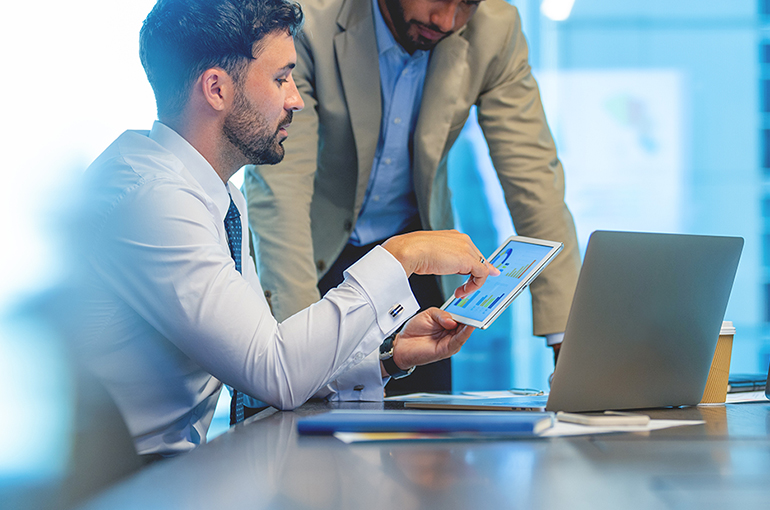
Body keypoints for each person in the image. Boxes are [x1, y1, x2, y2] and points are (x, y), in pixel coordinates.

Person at [63, 0, 498, 457]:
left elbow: (263, 362)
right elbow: (276, 371)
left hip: (174, 473)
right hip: (125, 485)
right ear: (216, 88)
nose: (296, 99)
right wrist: (401, 256)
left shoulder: (214, 194)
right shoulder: (152, 201)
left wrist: (390, 359)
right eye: (280, 78)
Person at [243, 0, 582, 394]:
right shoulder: (307, 21)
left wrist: (569, 341)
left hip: (414, 260)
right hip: (309, 256)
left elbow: (534, 178)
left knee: (428, 439)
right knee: (297, 428)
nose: (448, 21)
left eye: (468, 4)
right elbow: (281, 192)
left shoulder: (494, 28)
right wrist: (297, 362)